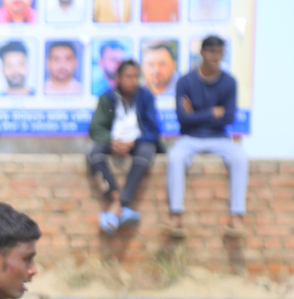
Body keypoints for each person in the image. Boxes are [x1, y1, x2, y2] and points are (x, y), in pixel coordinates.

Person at [167, 36, 247, 239]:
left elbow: (228, 118)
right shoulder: (185, 82)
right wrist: (212, 112)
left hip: (219, 138)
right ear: (202, 53)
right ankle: (176, 215)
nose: (216, 57)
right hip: (190, 138)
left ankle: (236, 216)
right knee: (175, 157)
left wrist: (196, 114)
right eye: (212, 52)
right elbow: (182, 118)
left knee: (240, 157)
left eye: (220, 53)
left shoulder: (229, 82)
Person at [87, 59, 162, 233]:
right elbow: (96, 127)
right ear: (118, 78)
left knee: (147, 151)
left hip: (137, 142)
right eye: (128, 77)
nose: (133, 81)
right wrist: (111, 141)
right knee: (94, 153)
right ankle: (117, 199)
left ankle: (117, 206)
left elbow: (153, 130)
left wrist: (133, 142)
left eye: (136, 77)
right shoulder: (107, 98)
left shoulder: (146, 97)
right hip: (113, 142)